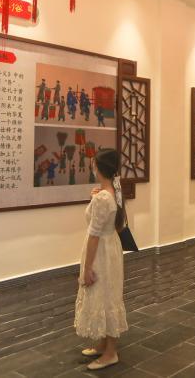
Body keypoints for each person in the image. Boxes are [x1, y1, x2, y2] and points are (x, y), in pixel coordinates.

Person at [74, 149, 128, 370]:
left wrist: (87, 269)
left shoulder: (103, 198)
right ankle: (104, 344)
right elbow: (113, 224)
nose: (92, 167)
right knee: (107, 294)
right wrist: (94, 199)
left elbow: (94, 235)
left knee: (106, 296)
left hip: (101, 253)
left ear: (99, 167)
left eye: (93, 164)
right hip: (110, 248)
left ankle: (110, 353)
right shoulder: (111, 192)